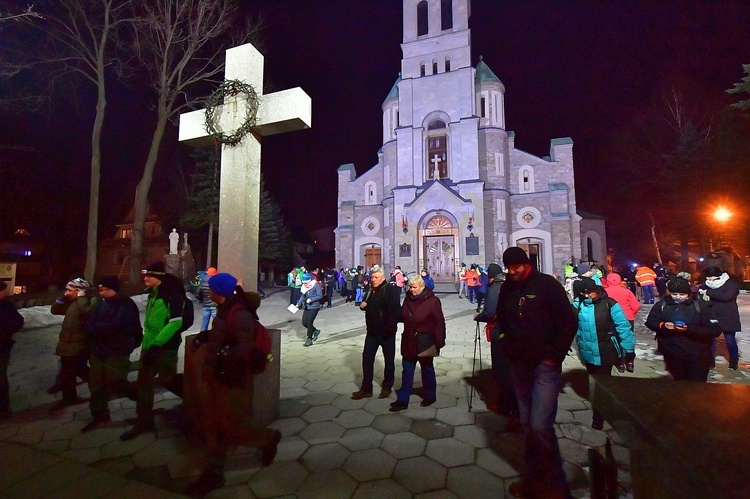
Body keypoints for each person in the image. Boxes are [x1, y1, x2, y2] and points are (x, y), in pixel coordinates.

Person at [185, 274, 281, 496]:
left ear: (219, 291)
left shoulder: (238, 313)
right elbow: (224, 335)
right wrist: (205, 336)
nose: (208, 291)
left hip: (230, 378)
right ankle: (214, 473)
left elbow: (243, 345)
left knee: (232, 424)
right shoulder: (227, 309)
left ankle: (267, 438)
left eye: (211, 288)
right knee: (214, 425)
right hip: (217, 377)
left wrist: (222, 363)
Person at [495, 247, 577, 498]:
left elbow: (568, 322)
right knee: (527, 425)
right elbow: (502, 319)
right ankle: (533, 480)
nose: (512, 272)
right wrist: (504, 342)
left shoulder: (547, 285)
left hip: (544, 366)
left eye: (516, 267)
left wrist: (555, 356)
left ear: (527, 264)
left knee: (540, 425)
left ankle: (556, 485)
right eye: (508, 268)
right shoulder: (508, 287)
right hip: (519, 364)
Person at [120, 262, 186, 441]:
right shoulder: (153, 294)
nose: (145, 278)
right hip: (149, 347)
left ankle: (194, 400)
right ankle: (144, 421)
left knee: (168, 380)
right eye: (144, 275)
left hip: (165, 348)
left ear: (160, 277)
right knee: (144, 385)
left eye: (149, 275)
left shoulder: (172, 295)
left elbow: (175, 322)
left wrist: (157, 345)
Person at [573, 277, 635, 430]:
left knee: (602, 386)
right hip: (587, 352)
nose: (588, 296)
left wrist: (628, 348)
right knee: (594, 384)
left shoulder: (610, 303)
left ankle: (599, 417)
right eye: (584, 293)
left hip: (606, 351)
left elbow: (623, 326)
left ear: (596, 289)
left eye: (590, 292)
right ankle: (601, 412)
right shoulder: (578, 304)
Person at [81, 276, 141, 433]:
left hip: (117, 349)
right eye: (100, 290)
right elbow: (90, 324)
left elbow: (116, 325)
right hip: (99, 349)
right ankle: (99, 414)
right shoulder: (101, 305)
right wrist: (99, 327)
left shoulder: (125, 304)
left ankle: (139, 396)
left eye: (106, 289)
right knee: (96, 384)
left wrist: (99, 327)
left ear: (114, 289)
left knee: (115, 381)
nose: (103, 293)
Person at [645, 276, 722, 381]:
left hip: (697, 354)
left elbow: (715, 330)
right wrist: (663, 325)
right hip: (672, 353)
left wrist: (688, 329)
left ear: (688, 293)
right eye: (674, 294)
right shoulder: (662, 305)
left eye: (682, 294)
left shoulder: (700, 306)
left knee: (696, 385)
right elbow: (651, 322)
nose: (678, 297)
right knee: (679, 383)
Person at [474, 263, 519, 431]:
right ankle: (504, 404)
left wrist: (480, 316)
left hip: (501, 333)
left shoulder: (495, 288)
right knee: (510, 370)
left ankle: (515, 413)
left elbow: (490, 311)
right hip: (514, 334)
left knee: (502, 372)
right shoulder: (511, 284)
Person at [390, 274, 446, 412]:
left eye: (414, 287)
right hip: (409, 340)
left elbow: (439, 322)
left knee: (427, 369)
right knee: (407, 370)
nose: (412, 289)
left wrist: (439, 341)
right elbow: (402, 316)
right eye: (410, 286)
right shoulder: (408, 300)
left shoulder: (433, 301)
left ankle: (430, 395)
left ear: (422, 287)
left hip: (425, 341)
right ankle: (402, 400)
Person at [352, 265, 402, 400]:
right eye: (372, 277)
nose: (373, 279)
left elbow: (395, 312)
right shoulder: (370, 290)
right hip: (372, 333)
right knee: (367, 359)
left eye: (376, 277)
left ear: (383, 277)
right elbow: (368, 304)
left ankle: (387, 387)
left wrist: (389, 330)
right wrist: (363, 305)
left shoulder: (390, 290)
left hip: (386, 333)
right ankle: (366, 388)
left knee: (389, 361)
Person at [50, 277, 98, 411]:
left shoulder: (88, 301)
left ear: (78, 291)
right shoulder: (71, 302)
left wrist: (81, 297)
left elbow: (88, 313)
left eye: (69, 289)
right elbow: (54, 310)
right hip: (67, 342)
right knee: (68, 372)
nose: (67, 291)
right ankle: (69, 398)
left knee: (77, 370)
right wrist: (63, 297)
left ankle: (102, 388)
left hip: (79, 343)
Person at [698, 266, 741, 370]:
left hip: (728, 316)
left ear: (718, 275)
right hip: (712, 315)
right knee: (710, 340)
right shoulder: (707, 284)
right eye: (707, 277)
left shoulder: (731, 284)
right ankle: (710, 362)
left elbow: (726, 296)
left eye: (711, 277)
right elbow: (700, 295)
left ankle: (733, 361)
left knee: (730, 340)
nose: (709, 280)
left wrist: (708, 293)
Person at [0, 281, 24, 418]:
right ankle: (3, 407)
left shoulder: (7, 305)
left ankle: (3, 407)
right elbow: (18, 322)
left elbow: (18, 322)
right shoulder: (7, 306)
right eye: (4, 289)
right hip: (3, 345)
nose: (6, 292)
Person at [297, 272, 323, 346]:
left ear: (310, 280)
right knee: (304, 322)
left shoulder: (316, 285)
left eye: (306, 283)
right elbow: (303, 296)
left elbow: (320, 295)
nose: (305, 285)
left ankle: (309, 339)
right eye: (304, 283)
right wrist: (298, 304)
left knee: (309, 322)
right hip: (307, 306)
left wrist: (311, 299)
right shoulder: (304, 287)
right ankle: (315, 331)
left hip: (315, 306)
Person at [196, 267, 218, 331]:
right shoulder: (216, 284)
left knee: (204, 322)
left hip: (205, 305)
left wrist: (202, 300)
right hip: (214, 305)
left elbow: (197, 294)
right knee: (216, 323)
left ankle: (202, 336)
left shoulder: (203, 284)